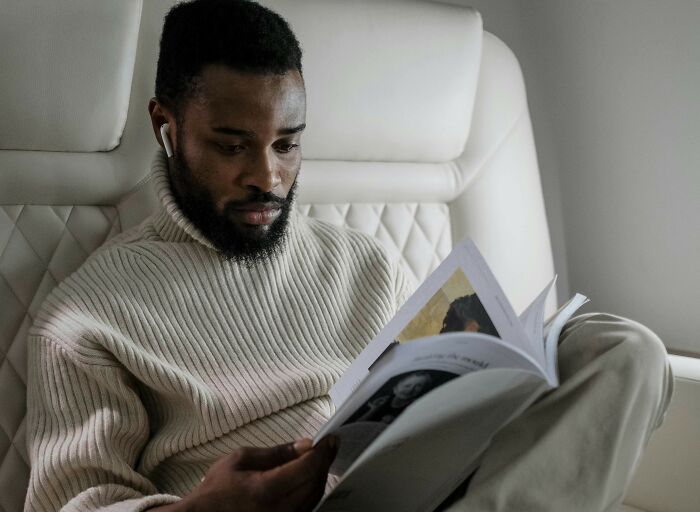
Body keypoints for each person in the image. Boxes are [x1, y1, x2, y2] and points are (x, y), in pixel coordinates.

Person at [24, 1, 673, 511]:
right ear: (166, 128)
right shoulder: (83, 318)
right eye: (232, 146)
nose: (267, 177)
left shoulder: (366, 263)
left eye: (287, 144)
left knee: (625, 350)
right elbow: (71, 501)